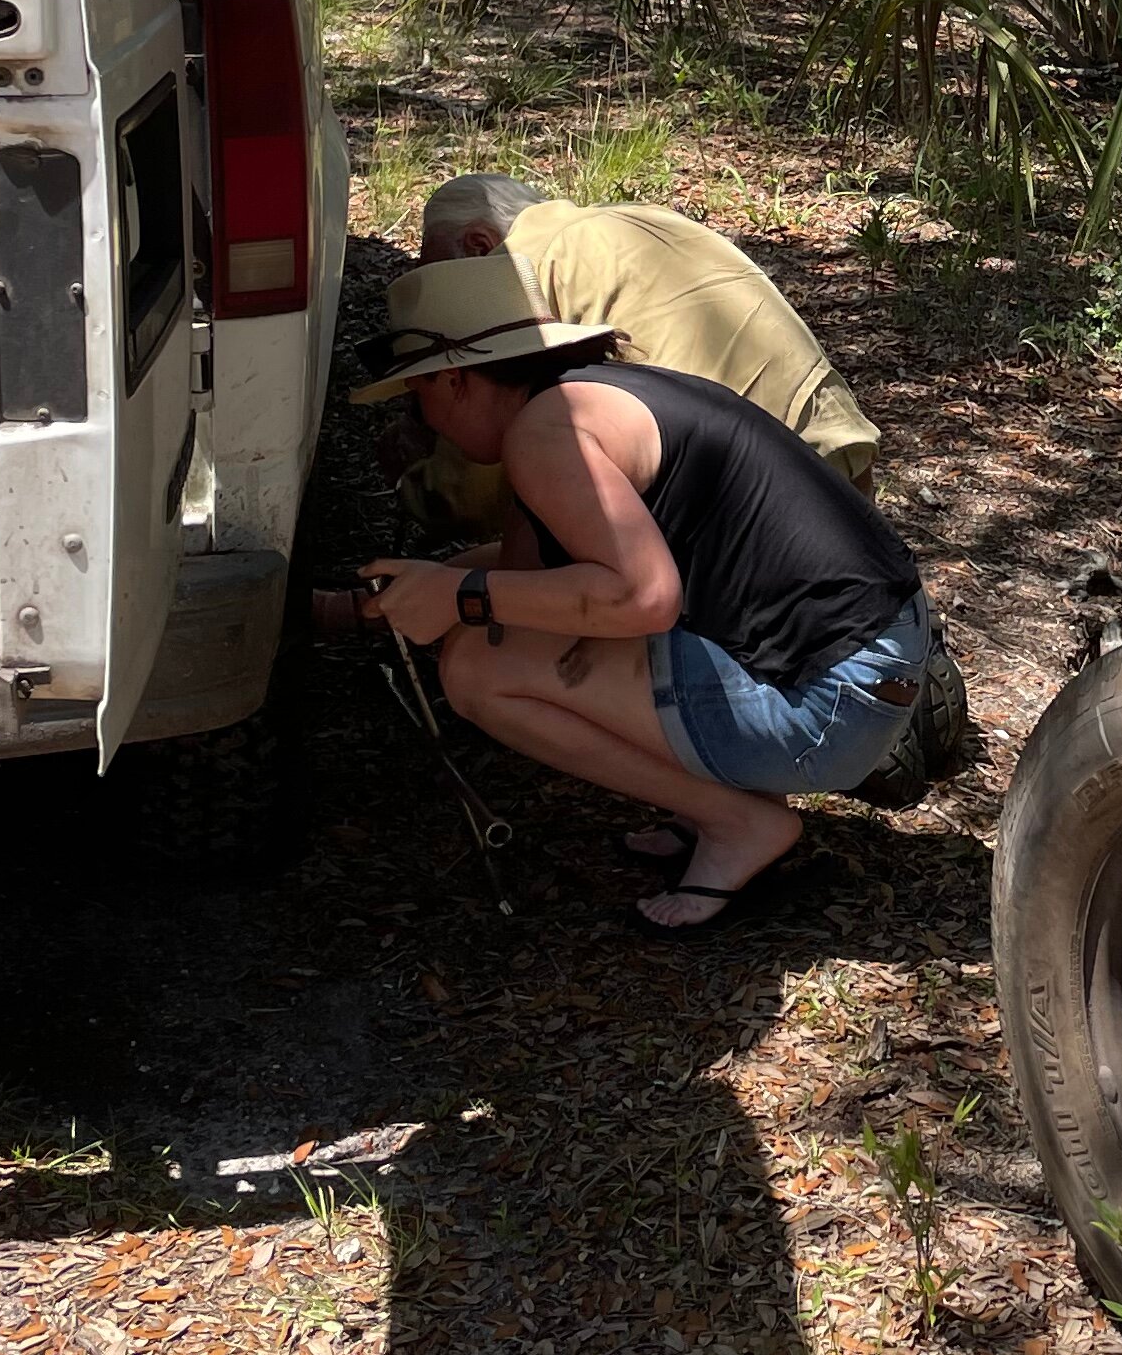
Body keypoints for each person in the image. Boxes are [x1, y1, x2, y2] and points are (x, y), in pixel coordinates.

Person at [352, 252, 929, 930]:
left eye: (418, 397)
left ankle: (735, 823)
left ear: (454, 380)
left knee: (477, 668)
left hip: (830, 705)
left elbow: (642, 597)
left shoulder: (548, 435)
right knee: (509, 630)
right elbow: (530, 574)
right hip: (877, 662)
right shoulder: (582, 397)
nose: (425, 424)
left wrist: (460, 599)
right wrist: (396, 597)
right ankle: (712, 804)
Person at [391, 175, 878, 544]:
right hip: (836, 453)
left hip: (742, 502)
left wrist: (418, 483)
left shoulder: (517, 275)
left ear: (480, 244)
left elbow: (494, 471)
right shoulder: (634, 218)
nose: (442, 299)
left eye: (439, 276)